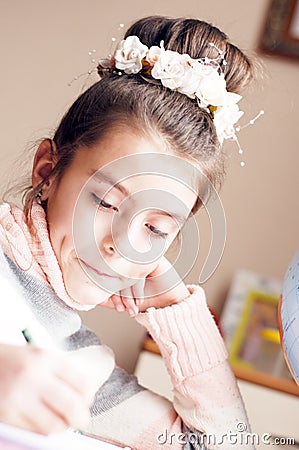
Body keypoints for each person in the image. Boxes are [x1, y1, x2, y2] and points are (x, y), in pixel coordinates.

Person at [0, 15, 256, 450]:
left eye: (155, 229)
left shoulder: (82, 371)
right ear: (48, 170)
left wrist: (178, 311)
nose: (120, 244)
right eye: (106, 203)